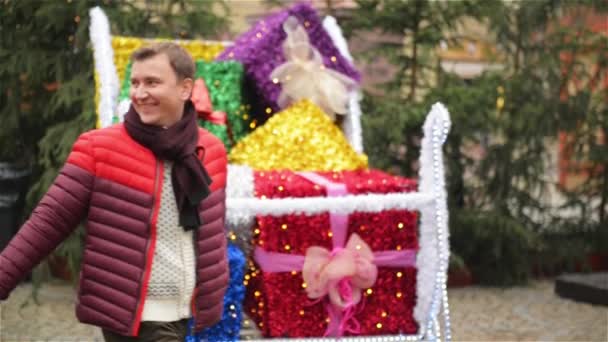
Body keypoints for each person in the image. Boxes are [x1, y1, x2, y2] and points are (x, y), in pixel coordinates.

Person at [0, 42, 229, 341]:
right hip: (133, 313)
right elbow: (49, 222)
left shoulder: (209, 150)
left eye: (152, 82)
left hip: (184, 311)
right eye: (134, 83)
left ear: (185, 89)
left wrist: (213, 293)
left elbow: (211, 233)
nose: (139, 93)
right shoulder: (99, 148)